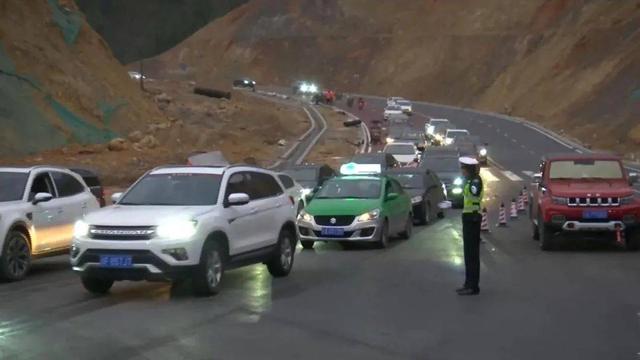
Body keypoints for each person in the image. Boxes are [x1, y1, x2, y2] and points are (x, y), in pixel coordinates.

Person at [457, 156, 484, 296]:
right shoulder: (469, 181)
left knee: (472, 254)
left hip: (473, 218)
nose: (462, 171)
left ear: (468, 170)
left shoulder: (475, 181)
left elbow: (475, 192)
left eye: (463, 169)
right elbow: (465, 199)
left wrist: (466, 183)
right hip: (468, 217)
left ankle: (473, 286)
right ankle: (468, 283)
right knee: (468, 254)